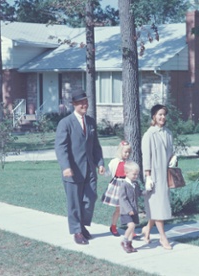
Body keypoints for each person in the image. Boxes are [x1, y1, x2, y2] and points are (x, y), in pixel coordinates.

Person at [55, 91, 105, 245]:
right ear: (74, 105)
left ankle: (82, 225)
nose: (84, 105)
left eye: (86, 102)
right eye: (81, 102)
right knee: (74, 202)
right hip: (73, 170)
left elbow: (95, 145)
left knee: (90, 199)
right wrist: (65, 167)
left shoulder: (90, 121)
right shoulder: (65, 123)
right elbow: (60, 147)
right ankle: (77, 231)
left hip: (89, 168)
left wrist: (100, 162)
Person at [141, 104, 177, 250]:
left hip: (165, 174)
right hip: (154, 175)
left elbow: (172, 150)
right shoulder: (149, 134)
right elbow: (146, 157)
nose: (162, 117)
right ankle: (163, 237)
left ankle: (147, 229)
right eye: (159, 114)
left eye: (164, 114)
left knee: (159, 205)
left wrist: (174, 157)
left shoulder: (168, 133)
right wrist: (148, 176)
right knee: (159, 206)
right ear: (154, 116)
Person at [101, 140, 132, 237]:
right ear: (120, 151)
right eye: (125, 152)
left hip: (126, 185)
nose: (127, 154)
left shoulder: (130, 162)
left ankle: (130, 229)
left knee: (129, 209)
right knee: (119, 209)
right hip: (117, 186)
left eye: (129, 152)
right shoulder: (114, 162)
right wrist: (103, 172)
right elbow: (109, 173)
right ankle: (113, 226)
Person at [117, 161, 143, 253]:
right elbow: (122, 199)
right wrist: (129, 209)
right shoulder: (124, 185)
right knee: (131, 226)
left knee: (133, 228)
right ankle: (124, 241)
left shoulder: (135, 184)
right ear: (126, 173)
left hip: (134, 210)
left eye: (137, 174)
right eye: (134, 174)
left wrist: (147, 191)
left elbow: (139, 193)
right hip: (126, 211)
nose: (136, 176)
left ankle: (129, 244)